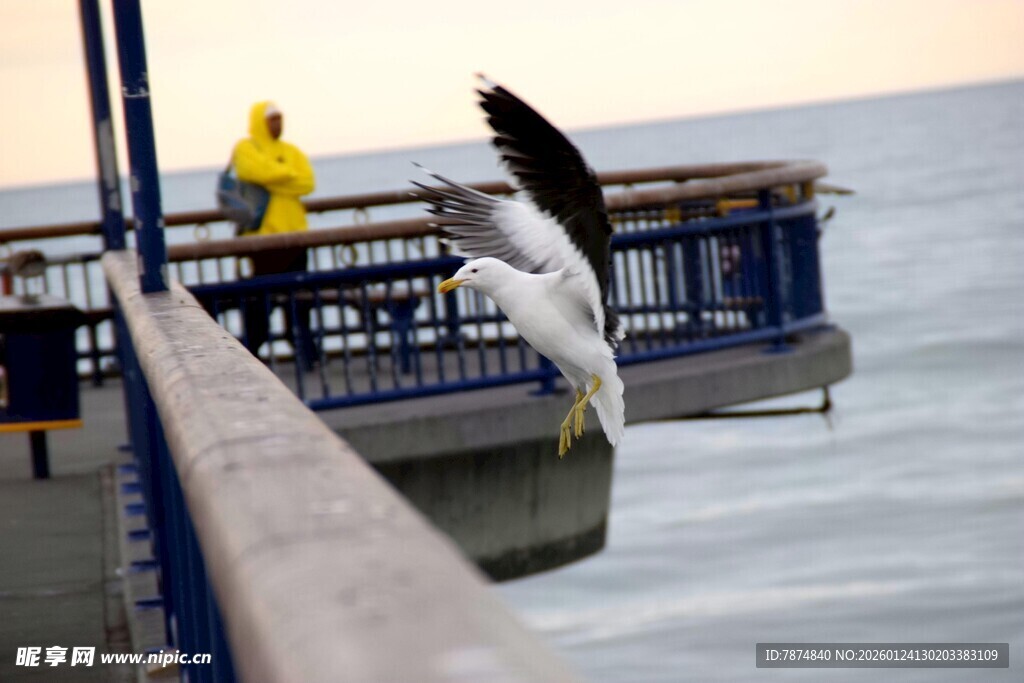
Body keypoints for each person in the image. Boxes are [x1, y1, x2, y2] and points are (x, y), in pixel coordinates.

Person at [232, 101, 318, 367]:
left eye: (279, 118)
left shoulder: (290, 150)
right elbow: (251, 170)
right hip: (262, 244)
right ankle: (250, 357)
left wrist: (272, 177)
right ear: (260, 121)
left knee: (300, 304)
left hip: (295, 239)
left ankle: (306, 354)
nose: (277, 124)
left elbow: (307, 183)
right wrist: (285, 177)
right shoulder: (245, 148)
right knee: (259, 305)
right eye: (272, 119)